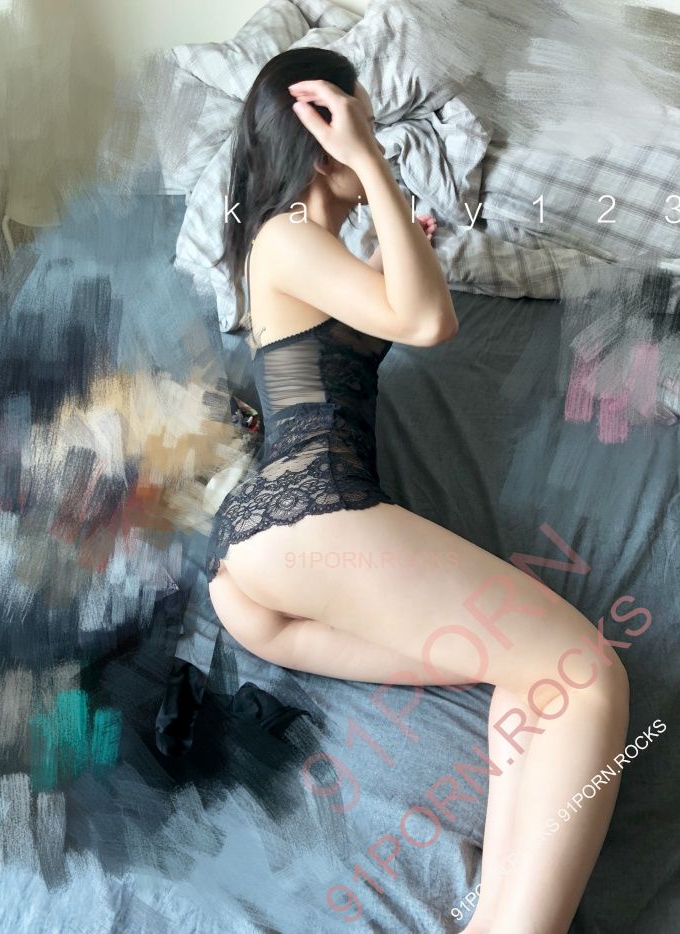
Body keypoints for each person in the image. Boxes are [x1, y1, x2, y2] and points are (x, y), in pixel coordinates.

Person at [205, 48, 630, 934]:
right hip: (311, 519)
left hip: (262, 565)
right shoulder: (285, 234)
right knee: (588, 676)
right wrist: (369, 162)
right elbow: (431, 318)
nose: (379, 143)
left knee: (534, 681)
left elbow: (388, 316)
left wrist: (392, 234)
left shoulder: (302, 252)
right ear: (322, 136)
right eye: (360, 123)